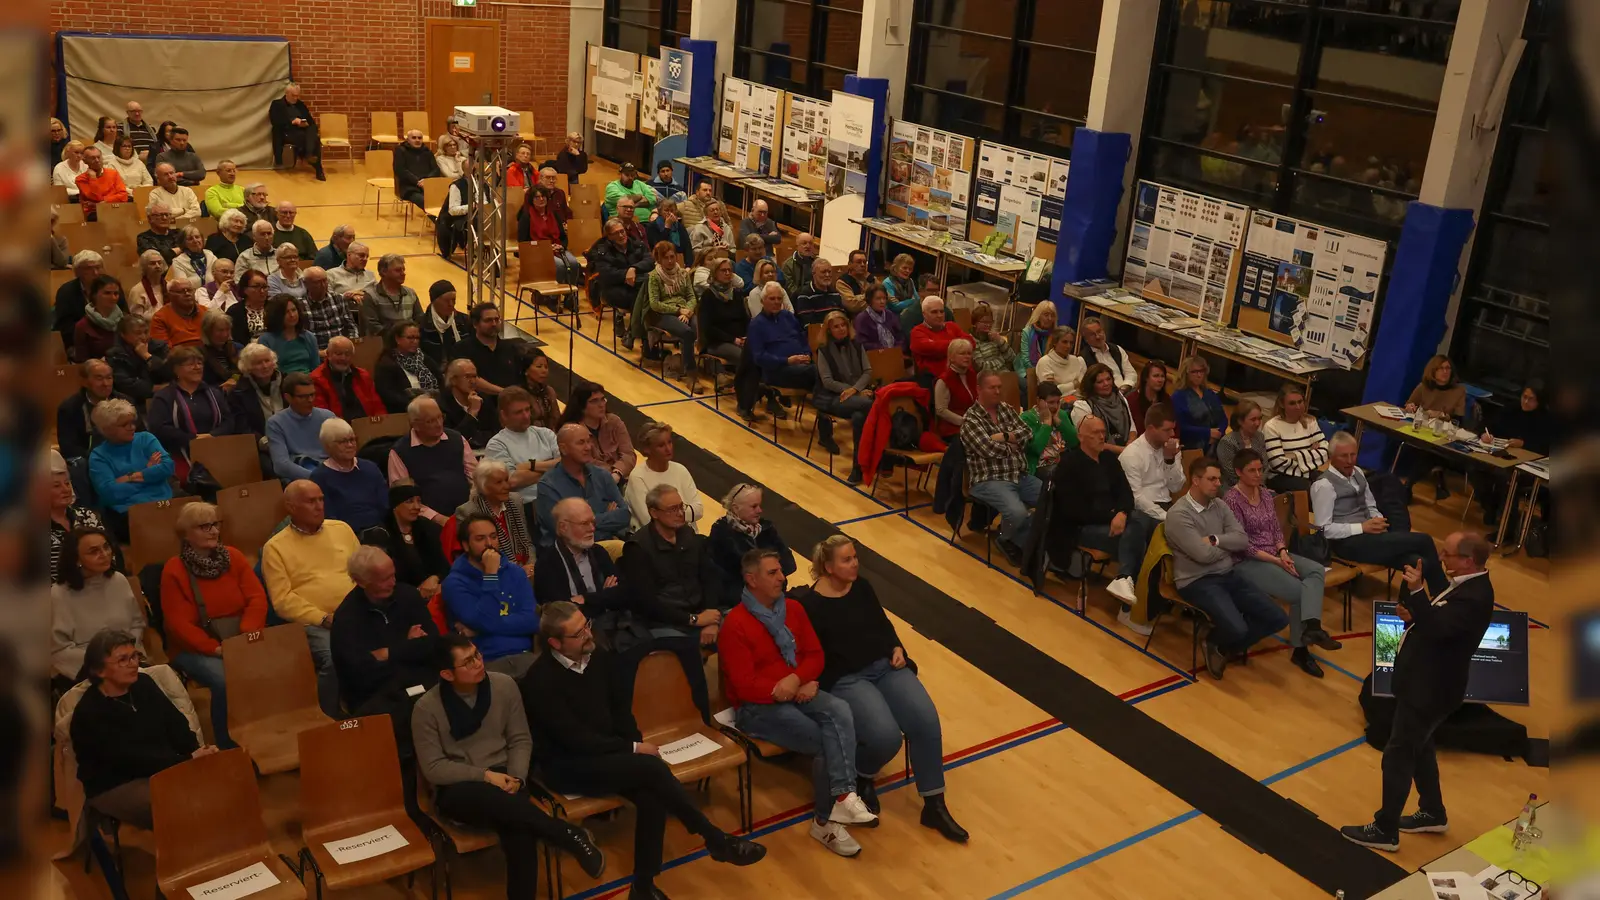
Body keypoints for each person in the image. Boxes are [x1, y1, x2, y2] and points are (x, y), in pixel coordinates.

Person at [523, 602, 768, 896]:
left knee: (652, 793)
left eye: (586, 625)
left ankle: (643, 885)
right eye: (578, 633)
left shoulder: (597, 655)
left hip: (608, 754)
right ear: (555, 643)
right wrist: (634, 747)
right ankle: (714, 838)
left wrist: (633, 742)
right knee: (651, 769)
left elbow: (621, 711)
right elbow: (574, 739)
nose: (589, 634)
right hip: (568, 766)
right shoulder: (539, 681)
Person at [797, 536, 968, 841]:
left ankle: (934, 804)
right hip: (848, 678)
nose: (855, 563)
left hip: (885, 666)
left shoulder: (861, 587)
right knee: (885, 737)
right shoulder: (810, 605)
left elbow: (883, 624)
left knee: (925, 721)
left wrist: (896, 647)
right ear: (828, 566)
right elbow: (813, 655)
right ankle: (863, 774)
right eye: (847, 559)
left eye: (855, 557)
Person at [412, 635, 607, 900]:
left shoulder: (504, 686)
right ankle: (564, 832)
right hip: (461, 788)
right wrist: (485, 776)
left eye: (477, 655)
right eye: (468, 662)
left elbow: (520, 738)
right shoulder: (426, 708)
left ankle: (562, 837)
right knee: (503, 806)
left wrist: (516, 776)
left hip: (507, 777)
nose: (478, 663)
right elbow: (434, 768)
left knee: (520, 832)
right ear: (446, 673)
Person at [1339, 531, 1495, 852]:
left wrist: (1416, 592)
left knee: (1398, 754)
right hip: (1426, 684)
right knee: (1420, 747)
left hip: (1431, 690)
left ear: (1467, 560)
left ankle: (1385, 829)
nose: (1442, 557)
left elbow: (1439, 628)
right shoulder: (1466, 585)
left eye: (1448, 553)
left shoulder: (1476, 596)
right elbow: (1439, 620)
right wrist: (1415, 609)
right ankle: (1433, 812)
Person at [720, 549, 878, 856]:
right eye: (773, 573)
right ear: (751, 580)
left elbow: (815, 655)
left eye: (781, 571)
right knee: (824, 740)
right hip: (756, 707)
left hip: (795, 689)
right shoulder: (735, 624)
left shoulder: (793, 608)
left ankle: (843, 798)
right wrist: (794, 684)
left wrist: (799, 679)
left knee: (840, 709)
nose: (782, 577)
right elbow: (744, 685)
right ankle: (825, 822)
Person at [69, 630, 216, 830]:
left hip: (162, 766)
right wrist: (186, 761)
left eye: (134, 656)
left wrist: (196, 752)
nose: (133, 664)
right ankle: (190, 857)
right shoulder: (90, 712)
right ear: (99, 670)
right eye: (123, 660)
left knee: (223, 779)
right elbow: (129, 759)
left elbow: (177, 724)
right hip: (118, 783)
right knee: (177, 802)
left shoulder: (144, 684)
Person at [1165, 456, 1291, 679]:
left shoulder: (1220, 505)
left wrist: (1214, 539)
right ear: (1195, 480)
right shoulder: (1178, 515)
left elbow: (1242, 540)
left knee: (1278, 618)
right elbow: (1202, 556)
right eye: (1212, 479)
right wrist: (1228, 546)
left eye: (1218, 479)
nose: (1218, 484)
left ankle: (1221, 645)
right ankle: (1217, 639)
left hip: (1227, 574)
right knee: (1238, 627)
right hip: (1196, 580)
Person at [160, 501, 267, 749]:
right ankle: (228, 746)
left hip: (240, 636)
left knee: (280, 664)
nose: (212, 531)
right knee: (225, 680)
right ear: (186, 534)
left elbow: (257, 598)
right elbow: (178, 625)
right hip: (196, 647)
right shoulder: (174, 570)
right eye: (203, 526)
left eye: (215, 525)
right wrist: (215, 649)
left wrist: (247, 636)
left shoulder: (235, 556)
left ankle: (265, 733)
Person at [1223, 449, 1340, 678]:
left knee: (1316, 571)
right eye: (1252, 471)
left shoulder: (1265, 494)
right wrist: (1276, 560)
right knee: (1299, 592)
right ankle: (1301, 647)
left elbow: (1276, 529)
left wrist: (1283, 551)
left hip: (1274, 553)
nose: (1258, 474)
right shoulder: (1231, 500)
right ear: (1238, 472)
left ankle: (1312, 629)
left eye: (1260, 469)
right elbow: (1241, 544)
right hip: (1247, 561)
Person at [261, 479, 358, 714]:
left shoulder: (341, 528)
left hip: (356, 611)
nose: (319, 506)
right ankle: (329, 716)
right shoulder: (275, 548)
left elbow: (362, 571)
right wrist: (324, 618)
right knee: (334, 659)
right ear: (291, 507)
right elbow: (283, 601)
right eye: (311, 501)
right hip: (317, 623)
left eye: (321, 499)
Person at [1044, 415, 1150, 614]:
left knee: (1138, 530)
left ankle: (1124, 580)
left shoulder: (1109, 459)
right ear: (1081, 436)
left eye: (1103, 432)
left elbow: (1126, 493)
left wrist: (1121, 513)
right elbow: (1073, 510)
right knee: (1138, 534)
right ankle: (1134, 604)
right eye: (1096, 433)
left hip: (1113, 523)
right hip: (1081, 528)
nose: (1102, 437)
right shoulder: (1069, 464)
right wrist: (1114, 517)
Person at [1312, 431, 1445, 588]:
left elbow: (1370, 504)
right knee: (1424, 540)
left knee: (1417, 562)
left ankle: (1410, 607)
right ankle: (1444, 594)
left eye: (1353, 455)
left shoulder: (1359, 473)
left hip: (1370, 535)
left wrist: (1377, 519)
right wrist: (1362, 527)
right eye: (1343, 456)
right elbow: (1324, 529)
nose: (1349, 461)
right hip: (1346, 543)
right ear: (1331, 457)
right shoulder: (1323, 486)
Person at [331, 545, 440, 734]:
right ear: (361, 582)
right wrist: (408, 646)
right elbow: (360, 675)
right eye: (384, 579)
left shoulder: (408, 596)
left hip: (419, 681)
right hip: (378, 696)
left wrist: (387, 652)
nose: (393, 582)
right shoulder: (347, 619)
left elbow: (433, 644)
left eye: (393, 575)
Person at [960, 371, 1041, 565]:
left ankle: (1018, 538)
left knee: (1054, 499)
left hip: (1018, 474)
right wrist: (1013, 443)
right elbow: (988, 449)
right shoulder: (970, 420)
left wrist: (1003, 437)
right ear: (979, 389)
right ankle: (1007, 539)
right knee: (1018, 512)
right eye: (992, 387)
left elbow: (1028, 434)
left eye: (999, 387)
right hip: (989, 479)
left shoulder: (1006, 409)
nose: (998, 391)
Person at [442, 515, 538, 676]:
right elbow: (486, 620)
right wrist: (491, 576)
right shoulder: (454, 583)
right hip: (485, 662)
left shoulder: (515, 572)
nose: (489, 544)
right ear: (466, 545)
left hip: (525, 654)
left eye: (493, 537)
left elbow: (531, 621)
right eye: (480, 539)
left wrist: (483, 628)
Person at [52, 527, 145, 684]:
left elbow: (136, 623)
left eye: (106, 547)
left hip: (129, 661)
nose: (104, 554)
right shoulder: (58, 594)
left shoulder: (119, 580)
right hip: (86, 670)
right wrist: (108, 663)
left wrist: (126, 656)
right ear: (77, 559)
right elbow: (59, 649)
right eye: (94, 551)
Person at [148, 346, 242, 479]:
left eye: (199, 363)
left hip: (216, 449)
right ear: (176, 369)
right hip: (180, 452)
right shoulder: (164, 396)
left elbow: (228, 421)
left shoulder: (215, 393)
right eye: (191, 364)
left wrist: (212, 436)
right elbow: (159, 428)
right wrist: (193, 439)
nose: (197, 367)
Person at [534, 424, 631, 546]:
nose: (588, 447)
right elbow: (564, 531)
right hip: (567, 555)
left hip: (603, 547)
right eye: (581, 443)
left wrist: (582, 522)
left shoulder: (602, 475)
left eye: (589, 441)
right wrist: (606, 519)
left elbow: (624, 515)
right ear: (563, 449)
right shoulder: (548, 486)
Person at [388, 396, 477, 525]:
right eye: (430, 421)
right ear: (415, 425)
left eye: (440, 417)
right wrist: (438, 519)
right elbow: (403, 499)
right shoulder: (400, 452)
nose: (439, 424)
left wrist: (471, 508)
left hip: (466, 513)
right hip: (427, 522)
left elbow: (475, 478)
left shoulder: (457, 439)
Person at [706, 482, 796, 608]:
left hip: (774, 597)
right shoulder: (722, 533)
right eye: (754, 506)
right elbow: (739, 572)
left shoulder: (766, 528)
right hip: (738, 603)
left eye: (759, 505)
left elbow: (790, 563)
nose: (760, 510)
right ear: (736, 508)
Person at [697, 256, 763, 419]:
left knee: (762, 354)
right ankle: (744, 404)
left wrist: (747, 336)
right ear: (714, 273)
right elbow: (708, 328)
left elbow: (746, 319)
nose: (728, 273)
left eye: (730, 270)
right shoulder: (708, 296)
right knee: (746, 358)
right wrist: (733, 339)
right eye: (723, 270)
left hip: (740, 339)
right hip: (716, 341)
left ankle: (764, 394)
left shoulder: (737, 293)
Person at [1474, 384, 1550, 526]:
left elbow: (1546, 446)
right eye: (1524, 397)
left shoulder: (1545, 419)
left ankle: (1507, 526)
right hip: (1500, 455)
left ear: (1539, 402)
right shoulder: (1511, 409)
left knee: (1506, 479)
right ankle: (1490, 507)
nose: (1526, 402)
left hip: (1527, 466)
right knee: (1474, 467)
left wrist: (1524, 443)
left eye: (1531, 399)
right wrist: (1484, 434)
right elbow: (1487, 425)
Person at [813, 311, 874, 482]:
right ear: (829, 330)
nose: (841, 329)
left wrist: (855, 390)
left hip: (856, 396)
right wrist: (854, 390)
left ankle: (858, 468)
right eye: (836, 327)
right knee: (870, 406)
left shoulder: (856, 344)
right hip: (832, 397)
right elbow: (827, 382)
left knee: (859, 417)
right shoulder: (823, 350)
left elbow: (868, 371)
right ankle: (881, 457)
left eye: (843, 325)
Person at [484, 387, 561, 517]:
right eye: (518, 412)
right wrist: (553, 469)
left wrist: (531, 465)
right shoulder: (496, 444)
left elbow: (567, 464)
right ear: (504, 415)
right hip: (525, 508)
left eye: (527, 410)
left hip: (558, 499)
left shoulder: (545, 434)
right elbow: (512, 481)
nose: (526, 416)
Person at [1401, 354, 1469, 499]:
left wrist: (1441, 415)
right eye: (1441, 368)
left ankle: (1408, 485)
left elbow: (1459, 419)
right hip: (1422, 431)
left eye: (1448, 368)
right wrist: (1411, 407)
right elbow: (1409, 405)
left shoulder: (1459, 391)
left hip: (1445, 435)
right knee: (1429, 451)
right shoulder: (1423, 387)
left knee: (1431, 451)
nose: (1445, 372)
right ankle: (1438, 481)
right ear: (1433, 371)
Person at [455, 460, 538, 576]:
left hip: (526, 568)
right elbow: (476, 556)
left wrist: (532, 564)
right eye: (499, 482)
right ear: (484, 487)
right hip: (494, 571)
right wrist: (516, 571)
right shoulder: (467, 511)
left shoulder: (515, 500)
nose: (506, 486)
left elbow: (527, 541)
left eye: (506, 480)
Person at [639, 241, 701, 390]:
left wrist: (688, 311)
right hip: (663, 314)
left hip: (685, 311)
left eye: (672, 257)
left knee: (699, 326)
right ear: (659, 259)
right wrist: (678, 311)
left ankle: (713, 369)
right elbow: (655, 304)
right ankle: (691, 373)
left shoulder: (682, 273)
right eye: (666, 258)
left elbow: (691, 297)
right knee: (687, 333)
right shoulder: (654, 276)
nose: (670, 261)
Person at [1118, 403, 1186, 537]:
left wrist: (1169, 460)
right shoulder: (1131, 454)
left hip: (1167, 504)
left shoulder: (1171, 448)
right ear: (1151, 429)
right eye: (1167, 430)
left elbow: (1176, 487)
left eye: (1173, 429)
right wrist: (1166, 516)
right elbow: (1136, 498)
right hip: (1144, 511)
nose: (1172, 434)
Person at [309, 418, 389, 532]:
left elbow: (384, 504)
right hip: (345, 535)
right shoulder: (319, 477)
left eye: (352, 439)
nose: (350, 445)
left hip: (380, 530)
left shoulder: (370, 467)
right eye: (343, 442)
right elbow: (328, 518)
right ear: (328, 446)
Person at [623, 421, 702, 530]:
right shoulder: (637, 477)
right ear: (647, 449)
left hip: (688, 535)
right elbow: (648, 519)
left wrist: (667, 513)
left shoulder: (681, 470)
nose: (668, 449)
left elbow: (698, 510)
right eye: (661, 445)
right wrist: (682, 513)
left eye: (669, 442)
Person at [589, 217, 655, 343]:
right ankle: (643, 337)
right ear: (608, 236)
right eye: (616, 233)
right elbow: (607, 275)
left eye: (622, 231)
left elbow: (649, 260)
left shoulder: (635, 244)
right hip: (613, 289)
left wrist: (633, 269)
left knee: (644, 294)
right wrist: (626, 275)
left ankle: (634, 333)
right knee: (644, 296)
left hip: (637, 284)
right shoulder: (601, 251)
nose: (621, 235)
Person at [557, 381, 636, 483]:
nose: (601, 405)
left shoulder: (614, 421)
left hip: (621, 477)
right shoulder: (571, 431)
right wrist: (611, 473)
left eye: (603, 399)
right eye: (594, 401)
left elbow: (629, 454)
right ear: (581, 407)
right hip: (591, 482)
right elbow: (585, 463)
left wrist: (617, 472)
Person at [57, 359, 134, 462]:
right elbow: (69, 448)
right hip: (91, 461)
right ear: (84, 382)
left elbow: (140, 433)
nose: (105, 383)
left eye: (109, 378)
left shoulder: (126, 401)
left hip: (127, 456)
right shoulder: (70, 408)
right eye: (99, 378)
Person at [748, 283, 816, 398]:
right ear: (762, 301)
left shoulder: (788, 316)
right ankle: (828, 403)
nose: (776, 302)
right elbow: (759, 357)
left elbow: (802, 338)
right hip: (776, 370)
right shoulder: (756, 324)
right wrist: (787, 361)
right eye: (772, 298)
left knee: (825, 369)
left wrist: (807, 354)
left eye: (779, 298)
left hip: (801, 365)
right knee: (818, 373)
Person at [265, 372, 337, 481]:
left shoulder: (328, 416)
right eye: (302, 397)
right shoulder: (275, 423)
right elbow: (281, 465)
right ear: (288, 397)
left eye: (312, 395)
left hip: (330, 469)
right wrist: (315, 477)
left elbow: (340, 450)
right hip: (301, 476)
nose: (310, 400)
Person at [1263, 383, 1327, 492]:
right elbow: (1277, 462)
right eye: (1292, 403)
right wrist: (1309, 454)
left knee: (1332, 484)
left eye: (1300, 402)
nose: (1298, 407)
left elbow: (1325, 452)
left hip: (1307, 472)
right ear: (1282, 404)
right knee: (1312, 490)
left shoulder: (1310, 422)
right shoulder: (1272, 426)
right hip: (1279, 476)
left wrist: (1294, 456)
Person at [516, 187, 582, 285]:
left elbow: (563, 236)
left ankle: (569, 294)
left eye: (543, 196)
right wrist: (546, 248)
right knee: (559, 265)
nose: (541, 199)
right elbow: (523, 241)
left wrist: (561, 246)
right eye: (537, 197)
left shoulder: (554, 214)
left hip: (557, 247)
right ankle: (553, 297)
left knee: (573, 263)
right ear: (532, 200)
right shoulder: (526, 216)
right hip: (537, 251)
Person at [374, 320, 441, 415]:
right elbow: (388, 395)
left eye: (417, 338)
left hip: (433, 407)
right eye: (410, 338)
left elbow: (440, 382)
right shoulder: (386, 364)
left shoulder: (424, 358)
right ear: (397, 339)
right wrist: (416, 403)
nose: (415, 341)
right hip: (404, 412)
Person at [105, 314, 169, 412]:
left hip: (164, 397)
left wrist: (148, 356)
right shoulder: (115, 354)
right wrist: (154, 388)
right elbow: (124, 383)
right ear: (123, 335)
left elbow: (168, 372)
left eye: (146, 332)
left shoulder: (159, 347)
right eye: (138, 333)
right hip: (132, 402)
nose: (143, 337)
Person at [1071, 364, 1138, 452]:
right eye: (1100, 382)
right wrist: (1122, 450)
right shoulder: (1082, 406)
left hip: (1126, 449)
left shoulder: (1119, 397)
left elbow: (1132, 427)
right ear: (1091, 385)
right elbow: (1090, 442)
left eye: (1108, 379)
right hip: (1099, 454)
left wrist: (1130, 444)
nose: (1106, 384)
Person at [1019, 380, 1078, 480]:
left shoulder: (1061, 415)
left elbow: (1074, 442)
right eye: (1051, 402)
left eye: (1057, 402)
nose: (1055, 406)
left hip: (1063, 461)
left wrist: (1059, 422)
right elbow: (1035, 449)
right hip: (1040, 466)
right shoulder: (1027, 418)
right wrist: (1047, 423)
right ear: (1039, 401)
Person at [268, 82, 327, 179]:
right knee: (315, 140)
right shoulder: (277, 104)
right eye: (293, 95)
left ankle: (309, 155)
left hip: (303, 131)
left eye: (297, 95)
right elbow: (275, 121)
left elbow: (311, 121)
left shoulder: (300, 105)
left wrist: (305, 123)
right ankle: (317, 167)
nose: (295, 98)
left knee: (312, 130)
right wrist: (292, 122)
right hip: (287, 132)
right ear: (286, 93)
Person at [229, 341, 283, 445]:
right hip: (259, 446)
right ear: (248, 367)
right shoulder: (238, 393)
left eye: (267, 360)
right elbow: (242, 428)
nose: (265, 366)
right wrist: (265, 443)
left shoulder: (287, 384)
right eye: (258, 363)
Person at [55, 250, 109, 353]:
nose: (96, 273)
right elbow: (65, 327)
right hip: (79, 343)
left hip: (110, 341)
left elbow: (124, 316)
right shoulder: (66, 292)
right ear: (77, 271)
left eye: (98, 267)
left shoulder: (111, 287)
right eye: (89, 269)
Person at [1171, 355, 1226, 452]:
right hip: (1192, 445)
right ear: (1186, 374)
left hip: (1217, 442)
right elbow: (1180, 427)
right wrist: (1207, 433)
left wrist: (1219, 433)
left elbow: (1223, 418)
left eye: (1201, 371)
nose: (1199, 375)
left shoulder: (1210, 393)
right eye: (1194, 372)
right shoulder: (1178, 397)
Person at [362, 253, 425, 336]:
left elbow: (420, 320)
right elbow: (373, 327)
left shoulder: (411, 293)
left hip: (410, 341)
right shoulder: (370, 296)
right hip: (384, 343)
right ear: (384, 272)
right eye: (398, 270)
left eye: (403, 269)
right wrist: (399, 337)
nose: (403, 273)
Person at [440, 359, 496, 450]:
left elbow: (496, 431)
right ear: (453, 380)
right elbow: (451, 441)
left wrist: (475, 439)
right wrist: (472, 413)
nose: (473, 381)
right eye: (467, 377)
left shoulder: (484, 399)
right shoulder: (442, 405)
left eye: (474, 376)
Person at [909, 297, 970, 380]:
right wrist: (959, 345)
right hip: (935, 380)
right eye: (934, 312)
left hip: (962, 374)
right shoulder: (917, 332)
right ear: (924, 314)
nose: (939, 315)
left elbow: (970, 342)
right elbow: (933, 348)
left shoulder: (952, 326)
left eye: (942, 311)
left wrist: (945, 346)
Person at [71, 275, 126, 363]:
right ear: (94, 295)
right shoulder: (82, 326)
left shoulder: (125, 321)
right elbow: (82, 362)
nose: (113, 298)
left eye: (116, 293)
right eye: (107, 293)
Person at [932, 338, 978, 442]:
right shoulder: (944, 380)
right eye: (962, 354)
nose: (967, 357)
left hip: (972, 425)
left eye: (969, 353)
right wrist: (963, 421)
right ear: (951, 357)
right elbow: (941, 410)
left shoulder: (971, 375)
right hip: (952, 429)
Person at [1215, 400, 1266, 489]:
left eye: (1259, 419)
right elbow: (1231, 475)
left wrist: (1259, 485)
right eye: (1253, 419)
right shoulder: (1227, 442)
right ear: (1240, 421)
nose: (1258, 423)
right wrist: (1252, 486)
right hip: (1233, 488)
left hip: (1259, 486)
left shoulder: (1260, 437)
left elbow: (1265, 465)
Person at [419, 280, 471, 364]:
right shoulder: (421, 325)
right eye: (446, 300)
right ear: (434, 301)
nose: (451, 304)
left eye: (453, 300)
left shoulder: (465, 321)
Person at [148, 279, 206, 350]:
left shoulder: (206, 312)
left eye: (189, 290)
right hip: (180, 358)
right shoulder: (160, 318)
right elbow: (162, 350)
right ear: (169, 295)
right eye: (181, 291)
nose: (187, 294)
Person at [75, 146, 129, 220]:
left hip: (115, 209)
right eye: (92, 158)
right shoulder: (80, 179)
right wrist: (93, 178)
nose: (97, 160)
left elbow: (123, 196)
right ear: (85, 161)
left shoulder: (113, 173)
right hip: (95, 213)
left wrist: (104, 202)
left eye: (98, 157)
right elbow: (97, 197)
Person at [394, 129, 442, 209]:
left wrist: (426, 181)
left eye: (419, 138)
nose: (417, 140)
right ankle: (439, 221)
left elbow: (436, 170)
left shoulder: (427, 152)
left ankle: (440, 220)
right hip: (410, 188)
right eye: (414, 138)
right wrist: (418, 182)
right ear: (408, 140)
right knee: (427, 202)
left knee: (443, 201)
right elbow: (401, 170)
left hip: (428, 186)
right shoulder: (401, 151)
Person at [792, 258, 845, 328]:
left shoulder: (835, 293)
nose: (827, 275)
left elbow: (843, 317)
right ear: (813, 274)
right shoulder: (805, 295)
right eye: (823, 272)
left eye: (829, 272)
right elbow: (809, 326)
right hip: (817, 335)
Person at [519, 349, 563, 432]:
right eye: (539, 367)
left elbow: (557, 419)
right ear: (526, 371)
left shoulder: (549, 391)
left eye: (546, 367)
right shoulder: (518, 394)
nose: (544, 371)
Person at [969, 303, 1016, 375]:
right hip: (990, 378)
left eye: (990, 322)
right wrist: (1002, 360)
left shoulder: (994, 337)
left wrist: (1000, 341)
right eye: (984, 322)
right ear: (975, 323)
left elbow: (1012, 358)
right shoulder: (972, 340)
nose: (988, 325)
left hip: (1006, 374)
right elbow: (982, 367)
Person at [852, 285, 902, 352]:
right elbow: (861, 343)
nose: (882, 302)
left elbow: (900, 335)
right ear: (870, 300)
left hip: (894, 353)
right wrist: (881, 348)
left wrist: (897, 348)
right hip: (873, 355)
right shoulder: (862, 318)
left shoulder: (889, 314)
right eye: (878, 299)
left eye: (884, 298)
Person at [1126, 360, 1171, 434]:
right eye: (1156, 376)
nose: (1160, 380)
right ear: (1146, 378)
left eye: (1162, 376)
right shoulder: (1132, 400)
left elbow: (1173, 423)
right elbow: (1138, 429)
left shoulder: (1166, 398)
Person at [168, 226, 218, 291]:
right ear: (184, 243)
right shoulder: (178, 262)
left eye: (197, 237)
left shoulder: (210, 255)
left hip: (214, 295)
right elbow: (183, 287)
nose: (195, 240)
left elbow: (220, 277)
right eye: (190, 239)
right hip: (191, 298)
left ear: (202, 239)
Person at [197, 311, 238, 388]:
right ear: (207, 332)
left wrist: (234, 380)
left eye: (227, 329)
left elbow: (240, 371)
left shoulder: (236, 348)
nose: (225, 334)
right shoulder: (199, 354)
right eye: (220, 330)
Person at [127, 250, 169, 317]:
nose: (157, 266)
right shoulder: (137, 290)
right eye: (152, 263)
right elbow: (137, 319)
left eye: (160, 263)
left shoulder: (170, 286)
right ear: (144, 267)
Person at [836, 249, 875, 315]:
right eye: (859, 262)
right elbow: (852, 306)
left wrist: (859, 298)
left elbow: (885, 295)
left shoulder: (870, 278)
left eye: (864, 262)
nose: (862, 265)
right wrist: (873, 298)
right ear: (850, 264)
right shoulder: (842, 282)